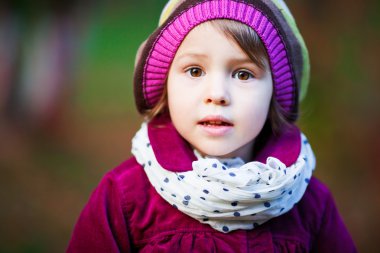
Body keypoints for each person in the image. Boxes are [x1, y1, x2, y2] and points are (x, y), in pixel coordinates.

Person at [67, 0, 357, 252]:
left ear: (274, 93)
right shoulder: (125, 197)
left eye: (243, 74)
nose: (217, 94)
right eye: (195, 71)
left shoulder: (307, 203)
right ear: (166, 86)